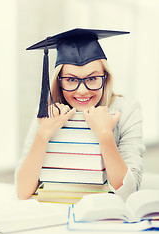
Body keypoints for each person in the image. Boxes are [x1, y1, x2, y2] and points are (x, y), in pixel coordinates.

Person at [15, 28, 145, 200]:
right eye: (71, 80)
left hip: (103, 214)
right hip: (54, 211)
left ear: (105, 77)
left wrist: (105, 135)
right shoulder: (47, 112)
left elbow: (128, 194)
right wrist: (44, 133)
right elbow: (22, 191)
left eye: (92, 79)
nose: (82, 91)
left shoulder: (126, 110)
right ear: (59, 81)